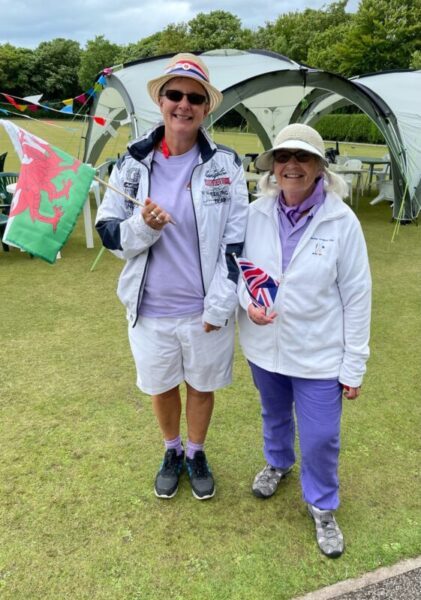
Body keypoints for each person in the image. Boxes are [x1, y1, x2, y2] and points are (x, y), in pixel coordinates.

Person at [95, 53, 248, 501]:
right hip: (150, 308)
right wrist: (145, 226)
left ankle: (196, 452)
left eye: (195, 98)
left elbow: (237, 245)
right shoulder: (131, 163)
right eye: (175, 95)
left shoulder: (226, 165)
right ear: (160, 101)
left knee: (201, 387)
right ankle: (172, 450)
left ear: (206, 107)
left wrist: (220, 305)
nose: (184, 105)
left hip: (204, 309)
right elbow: (110, 235)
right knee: (161, 388)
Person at [237, 123, 371, 557]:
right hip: (265, 348)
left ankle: (322, 506)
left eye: (303, 157)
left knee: (321, 436)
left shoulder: (341, 221)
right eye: (283, 157)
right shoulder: (255, 213)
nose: (291, 165)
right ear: (272, 166)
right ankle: (278, 463)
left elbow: (357, 296)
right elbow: (241, 271)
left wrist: (354, 365)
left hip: (319, 354)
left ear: (319, 167)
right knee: (274, 414)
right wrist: (248, 303)